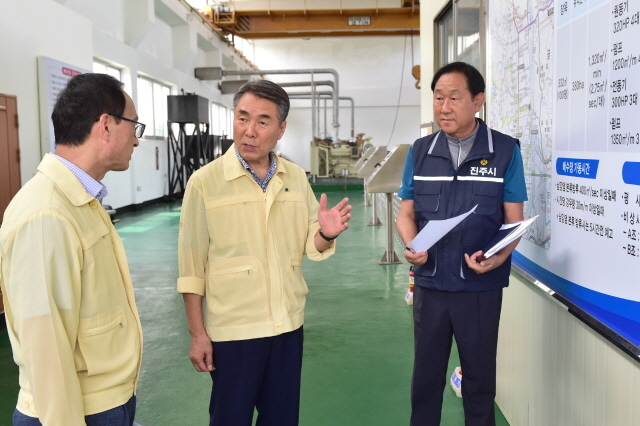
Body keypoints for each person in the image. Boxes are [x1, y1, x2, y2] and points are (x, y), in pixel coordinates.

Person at [177, 80, 352, 426]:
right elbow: (191, 266)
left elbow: (309, 243)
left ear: (281, 129)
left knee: (282, 418)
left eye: (262, 121)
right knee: (231, 418)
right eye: (242, 118)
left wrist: (325, 234)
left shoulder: (295, 177)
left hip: (287, 324)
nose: (249, 131)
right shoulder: (205, 182)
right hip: (233, 330)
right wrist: (198, 334)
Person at [0, 73, 144, 426]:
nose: (136, 140)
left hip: (105, 400)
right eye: (134, 126)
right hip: (77, 411)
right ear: (106, 126)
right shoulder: (46, 215)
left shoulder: (79, 199)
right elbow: (44, 346)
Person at [396, 62, 527, 426]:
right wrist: (411, 245)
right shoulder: (421, 151)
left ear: (477, 101)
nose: (444, 107)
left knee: (480, 382)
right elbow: (406, 214)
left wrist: (499, 257)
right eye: (438, 97)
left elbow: (514, 221)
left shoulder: (504, 151)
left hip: (480, 288)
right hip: (431, 284)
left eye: (454, 98)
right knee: (426, 380)